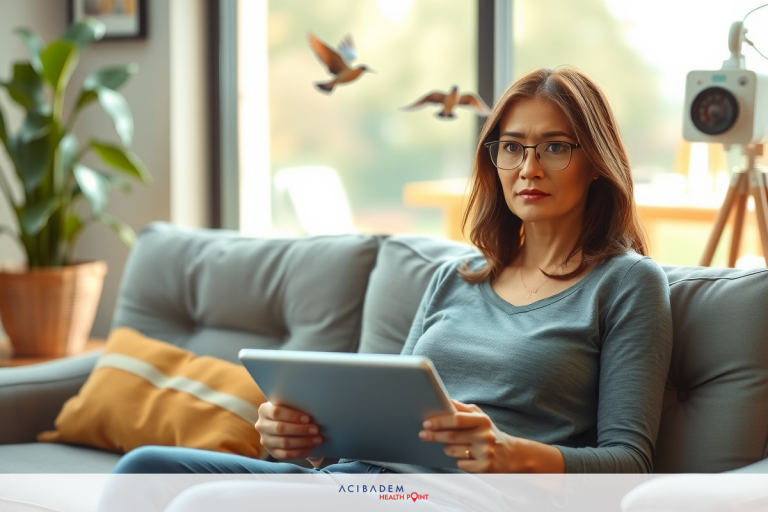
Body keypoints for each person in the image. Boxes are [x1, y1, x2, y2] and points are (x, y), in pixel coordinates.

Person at [110, 66, 672, 476]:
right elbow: (382, 417)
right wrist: (306, 440)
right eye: (512, 147)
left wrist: (511, 453)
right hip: (354, 481)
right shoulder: (456, 277)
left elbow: (629, 460)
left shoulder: (626, 284)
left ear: (596, 164)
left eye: (554, 147)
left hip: (466, 495)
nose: (528, 167)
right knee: (146, 471)